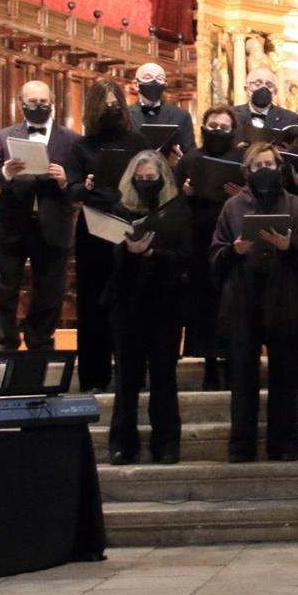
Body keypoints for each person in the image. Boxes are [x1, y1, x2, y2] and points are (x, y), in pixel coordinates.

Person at [211, 142, 298, 463]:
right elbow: (215, 257)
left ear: (279, 167)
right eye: (257, 166)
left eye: (270, 163)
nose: (264, 170)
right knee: (243, 378)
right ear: (248, 171)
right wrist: (234, 251)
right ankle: (242, 446)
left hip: (283, 299)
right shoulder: (232, 207)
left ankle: (284, 445)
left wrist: (288, 247)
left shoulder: (295, 205)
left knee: (284, 377)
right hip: (243, 299)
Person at [104, 151, 191, 465]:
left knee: (164, 376)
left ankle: (165, 443)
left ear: (163, 179)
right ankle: (122, 443)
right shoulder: (119, 209)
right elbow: (109, 260)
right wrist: (129, 252)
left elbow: (187, 256)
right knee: (126, 377)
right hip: (127, 302)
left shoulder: (177, 209)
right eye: (139, 179)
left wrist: (152, 253)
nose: (144, 183)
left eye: (151, 179)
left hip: (164, 301)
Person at [66, 80, 150, 392]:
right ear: (94, 107)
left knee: (132, 303)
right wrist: (85, 187)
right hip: (94, 228)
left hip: (129, 225)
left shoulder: (137, 141)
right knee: (92, 305)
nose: (112, 107)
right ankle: (93, 378)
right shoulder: (81, 145)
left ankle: (132, 376)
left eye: (117, 102)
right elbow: (70, 188)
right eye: (106, 103)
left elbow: (152, 182)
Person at [0, 80, 78, 352]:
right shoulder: (4, 136)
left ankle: (39, 341)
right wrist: (6, 173)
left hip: (53, 223)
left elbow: (80, 186)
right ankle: (5, 343)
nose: (39, 106)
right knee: (5, 285)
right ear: (21, 104)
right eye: (33, 102)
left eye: (44, 102)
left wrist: (64, 180)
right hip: (12, 222)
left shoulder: (71, 139)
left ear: (53, 103)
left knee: (50, 289)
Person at [176, 106, 245, 389]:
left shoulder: (241, 159)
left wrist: (242, 194)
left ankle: (232, 362)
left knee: (232, 304)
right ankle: (206, 364)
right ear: (203, 127)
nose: (217, 131)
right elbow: (172, 197)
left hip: (233, 241)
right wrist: (186, 192)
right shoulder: (191, 159)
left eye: (223, 127)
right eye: (212, 125)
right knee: (203, 306)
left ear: (233, 130)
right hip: (198, 242)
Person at [128, 62, 195, 155]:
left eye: (160, 78)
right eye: (148, 78)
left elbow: (190, 155)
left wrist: (179, 160)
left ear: (165, 84)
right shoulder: (125, 115)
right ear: (136, 85)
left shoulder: (181, 116)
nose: (154, 82)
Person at [233, 67, 298, 145]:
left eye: (269, 85)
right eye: (257, 84)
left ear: (275, 92)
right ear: (246, 89)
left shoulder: (289, 118)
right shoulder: (232, 115)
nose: (263, 88)